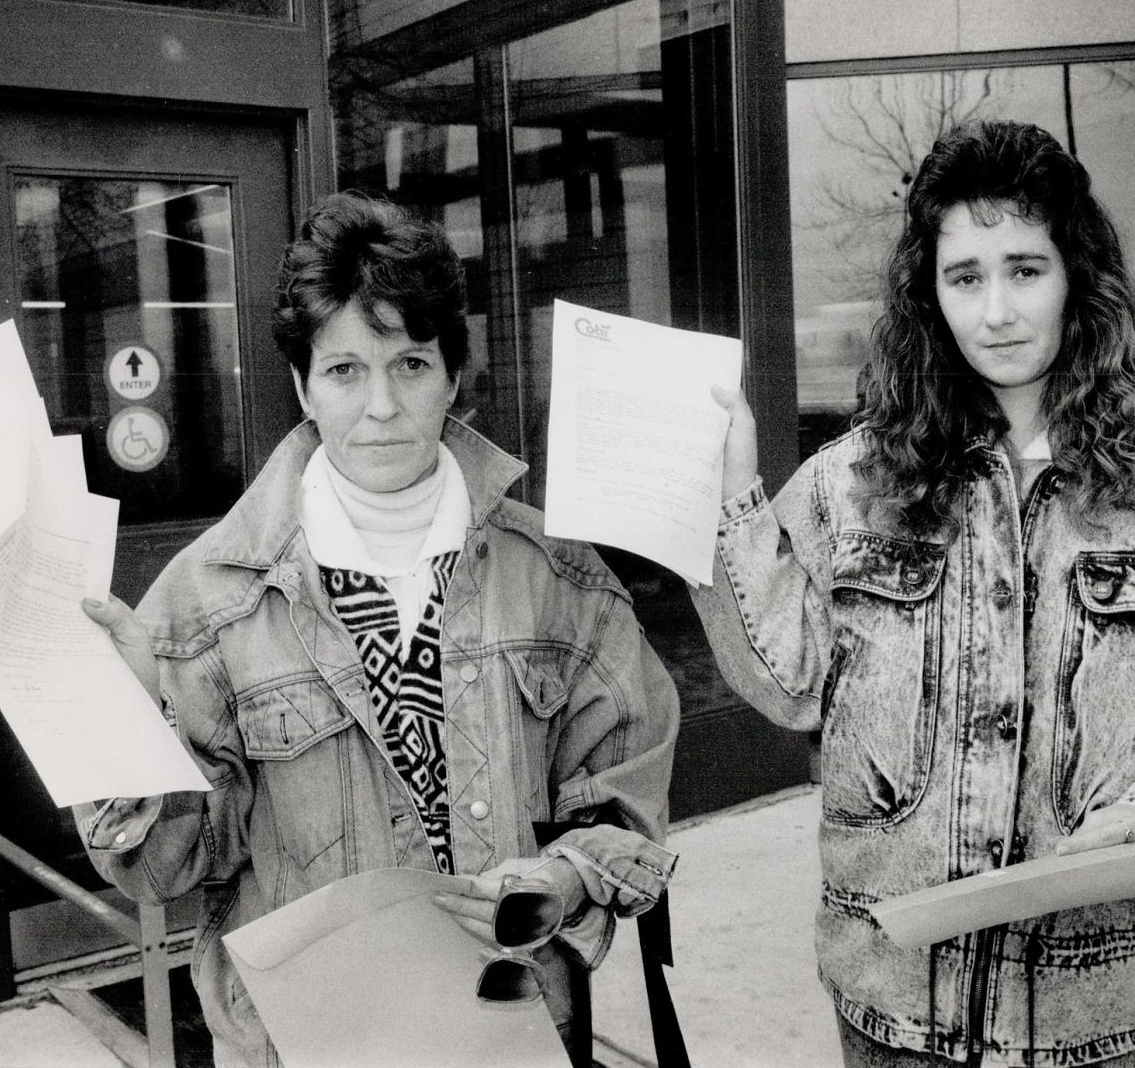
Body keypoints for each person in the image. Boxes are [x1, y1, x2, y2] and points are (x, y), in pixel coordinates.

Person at [693, 120, 1135, 1068]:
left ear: (1076, 275)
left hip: (1096, 1017)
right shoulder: (851, 485)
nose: (996, 310)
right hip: (894, 1005)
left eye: (1024, 269)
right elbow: (785, 681)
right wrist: (733, 502)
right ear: (930, 293)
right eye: (965, 277)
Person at [73, 191, 680, 1068]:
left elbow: (628, 794)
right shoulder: (207, 600)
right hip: (301, 1043)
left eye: (411, 364)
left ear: (454, 375)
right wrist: (132, 730)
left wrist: (565, 876)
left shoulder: (556, 575)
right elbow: (163, 872)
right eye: (345, 370)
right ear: (301, 386)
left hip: (509, 1029)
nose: (383, 407)